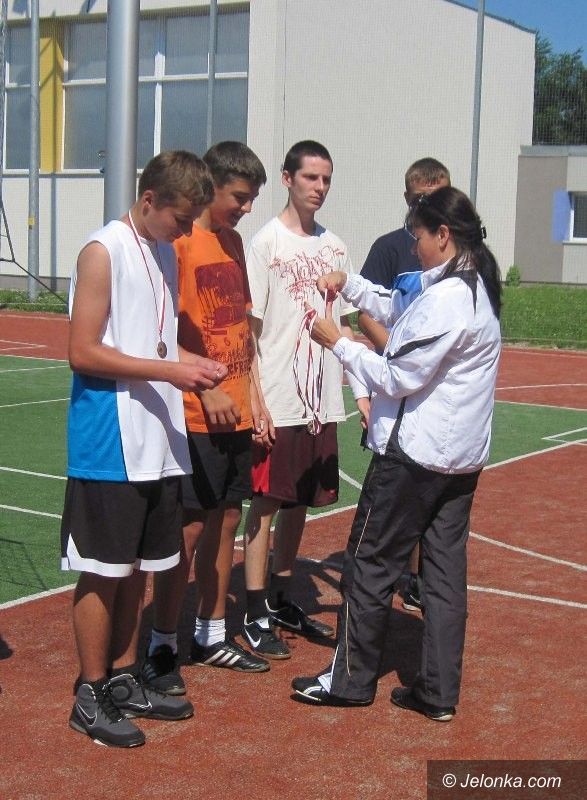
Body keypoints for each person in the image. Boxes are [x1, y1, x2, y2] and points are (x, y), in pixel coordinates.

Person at [291, 186, 502, 720]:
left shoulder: (451, 298)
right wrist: (351, 285)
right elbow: (402, 308)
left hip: (415, 457)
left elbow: (397, 375)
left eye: (419, 236)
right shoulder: (466, 285)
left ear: (444, 235)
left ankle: (350, 680)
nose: (413, 246)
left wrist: (338, 343)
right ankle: (437, 692)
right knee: (443, 577)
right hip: (458, 460)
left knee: (369, 563)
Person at [62, 151, 228, 748]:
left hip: (157, 437)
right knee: (104, 569)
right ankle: (90, 693)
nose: (185, 232)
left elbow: (152, 341)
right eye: (181, 219)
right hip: (110, 437)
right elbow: (82, 351)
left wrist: (193, 366)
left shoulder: (161, 250)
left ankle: (125, 676)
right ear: (150, 198)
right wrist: (170, 370)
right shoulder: (102, 251)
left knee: (140, 567)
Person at [143, 142, 272, 692]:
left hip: (236, 410)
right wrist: (206, 387)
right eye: (238, 197)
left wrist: (255, 397)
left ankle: (212, 633)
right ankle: (162, 644)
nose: (246, 208)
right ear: (209, 187)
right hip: (196, 412)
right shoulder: (178, 241)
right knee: (189, 529)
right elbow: (159, 329)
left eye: (252, 199)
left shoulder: (234, 242)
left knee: (227, 521)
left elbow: (240, 328)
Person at [242, 140, 356, 659]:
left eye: (326, 179)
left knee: (301, 504)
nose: (320, 187)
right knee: (265, 504)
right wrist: (257, 400)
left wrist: (362, 392)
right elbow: (251, 330)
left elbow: (343, 326)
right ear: (287, 179)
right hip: (279, 398)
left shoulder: (336, 246)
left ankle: (283, 597)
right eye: (311, 177)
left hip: (321, 400)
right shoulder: (266, 243)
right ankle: (253, 610)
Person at [356, 158, 451, 614]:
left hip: (434, 402)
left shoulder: (462, 262)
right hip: (396, 393)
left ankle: (416, 576)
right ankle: (389, 576)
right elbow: (368, 312)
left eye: (437, 197)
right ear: (407, 198)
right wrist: (395, 352)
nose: (427, 205)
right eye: (420, 199)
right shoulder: (390, 248)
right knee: (390, 496)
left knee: (430, 499)